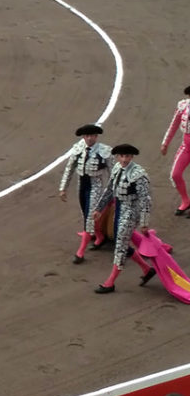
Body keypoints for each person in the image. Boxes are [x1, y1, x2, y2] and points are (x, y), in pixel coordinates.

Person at [91, 144, 156, 294]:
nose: (125, 159)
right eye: (122, 156)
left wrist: (144, 223)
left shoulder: (139, 174)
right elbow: (109, 190)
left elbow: (145, 199)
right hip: (119, 208)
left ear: (132, 157)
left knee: (120, 245)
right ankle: (147, 270)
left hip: (131, 211)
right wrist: (99, 209)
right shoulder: (116, 168)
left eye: (127, 156)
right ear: (117, 156)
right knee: (121, 242)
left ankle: (110, 282)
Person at [59, 124, 113, 263]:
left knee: (90, 216)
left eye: (92, 136)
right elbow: (69, 168)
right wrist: (63, 188)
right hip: (82, 185)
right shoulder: (78, 148)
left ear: (96, 136)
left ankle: (80, 252)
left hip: (96, 185)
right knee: (86, 213)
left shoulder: (105, 151)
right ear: (83, 136)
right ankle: (99, 236)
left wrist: (112, 192)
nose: (89, 138)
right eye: (87, 136)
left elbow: (113, 174)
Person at [161, 85, 190, 216]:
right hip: (187, 145)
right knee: (175, 174)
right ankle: (186, 201)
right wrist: (165, 143)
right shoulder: (183, 106)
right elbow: (173, 125)